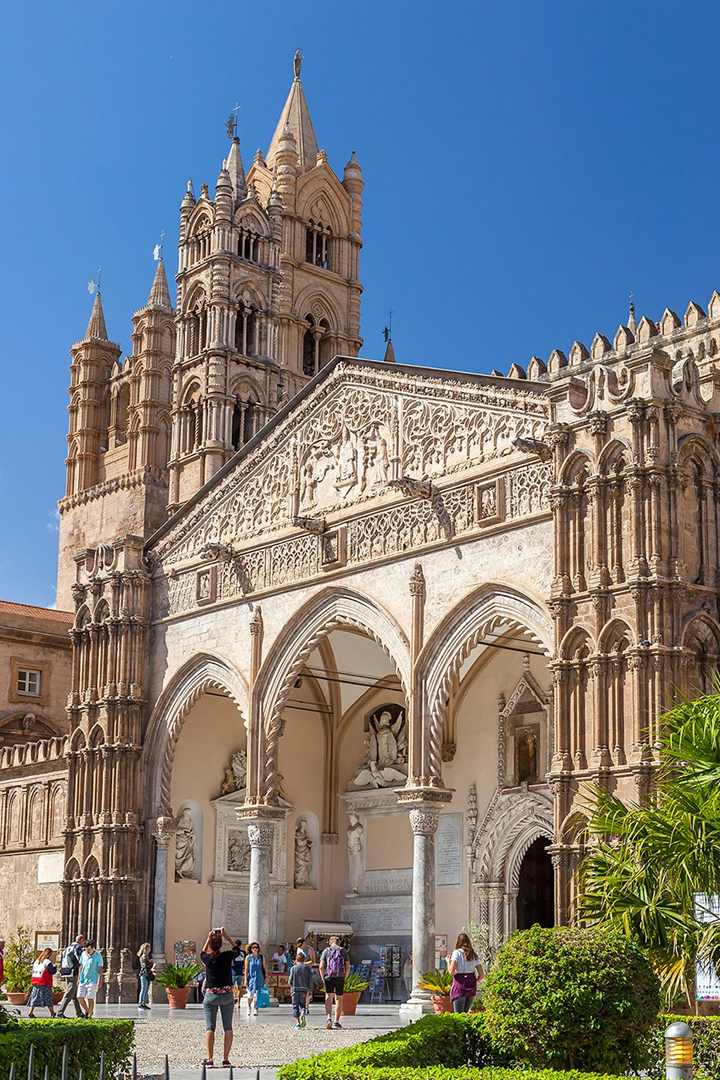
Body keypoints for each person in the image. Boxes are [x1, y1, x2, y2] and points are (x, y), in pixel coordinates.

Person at [200, 927, 242, 1068]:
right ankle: (225, 1059)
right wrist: (227, 936)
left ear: (211, 945)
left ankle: (210, 1059)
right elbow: (238, 950)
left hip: (211, 995)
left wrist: (208, 937)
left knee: (210, 1027)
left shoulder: (207, 959)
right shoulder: (227, 956)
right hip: (226, 995)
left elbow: (202, 953)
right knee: (227, 1027)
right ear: (221, 944)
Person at [319, 935, 350, 1029]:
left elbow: (321, 966)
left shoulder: (326, 950)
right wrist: (345, 977)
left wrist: (323, 978)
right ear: (338, 942)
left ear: (330, 942)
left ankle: (329, 1017)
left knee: (328, 997)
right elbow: (348, 966)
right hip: (340, 977)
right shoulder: (343, 951)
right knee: (338, 999)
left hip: (329, 977)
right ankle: (336, 1021)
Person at [447, 932, 483, 1013]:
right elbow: (482, 975)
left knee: (458, 1015)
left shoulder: (457, 953)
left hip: (460, 984)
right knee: (465, 1013)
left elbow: (451, 971)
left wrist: (448, 962)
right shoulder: (474, 955)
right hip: (471, 985)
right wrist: (475, 981)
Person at [56, 934, 85, 1017]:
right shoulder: (77, 947)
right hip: (73, 972)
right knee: (70, 992)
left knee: (74, 994)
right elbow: (80, 960)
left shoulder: (67, 948)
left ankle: (79, 1013)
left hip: (66, 971)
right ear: (81, 940)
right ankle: (60, 1012)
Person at [77, 941, 104, 1019]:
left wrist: (99, 980)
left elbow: (100, 969)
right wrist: (79, 977)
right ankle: (88, 1011)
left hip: (93, 979)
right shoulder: (84, 954)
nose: (87, 951)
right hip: (83, 979)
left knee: (90, 998)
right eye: (86, 949)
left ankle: (89, 1016)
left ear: (92, 947)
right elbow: (81, 966)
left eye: (88, 949)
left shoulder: (98, 956)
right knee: (79, 997)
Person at [28, 948, 57, 1018]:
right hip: (45, 982)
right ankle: (52, 1013)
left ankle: (30, 1012)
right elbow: (52, 971)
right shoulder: (48, 962)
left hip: (36, 981)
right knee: (48, 998)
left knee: (34, 997)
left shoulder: (37, 961)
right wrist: (55, 967)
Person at [289, 949, 313, 1028]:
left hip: (295, 989)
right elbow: (310, 981)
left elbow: (290, 980)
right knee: (303, 1004)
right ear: (304, 960)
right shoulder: (307, 968)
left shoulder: (293, 968)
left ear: (297, 959)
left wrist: (292, 986)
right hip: (304, 989)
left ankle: (298, 1023)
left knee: (295, 1005)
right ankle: (303, 1012)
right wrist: (310, 992)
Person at [244, 941, 265, 1016]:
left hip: (259, 977)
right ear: (251, 949)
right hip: (251, 978)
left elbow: (264, 968)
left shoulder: (261, 957)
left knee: (258, 995)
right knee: (250, 995)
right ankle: (249, 1006)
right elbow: (246, 969)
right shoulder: (248, 957)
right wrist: (245, 979)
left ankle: (256, 1009)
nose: (255, 949)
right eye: (253, 947)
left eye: (256, 947)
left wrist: (266, 978)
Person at [295, 936, 316, 1012]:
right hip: (300, 971)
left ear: (304, 943)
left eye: (301, 945)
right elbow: (297, 959)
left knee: (308, 989)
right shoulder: (299, 950)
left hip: (307, 971)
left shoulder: (310, 949)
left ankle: (307, 1006)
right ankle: (301, 1006)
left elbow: (313, 961)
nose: (300, 947)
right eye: (299, 946)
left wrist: (304, 963)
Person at [137, 942, 154, 1010]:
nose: (150, 949)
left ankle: (143, 1002)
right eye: (149, 948)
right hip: (144, 974)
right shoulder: (144, 957)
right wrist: (151, 963)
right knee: (144, 989)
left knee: (145, 988)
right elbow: (145, 966)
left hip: (145, 974)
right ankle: (141, 1003)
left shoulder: (145, 956)